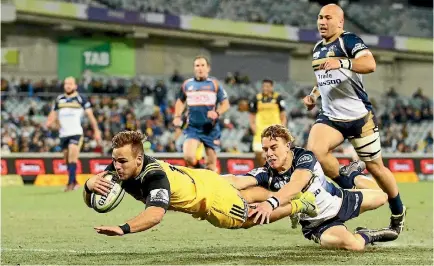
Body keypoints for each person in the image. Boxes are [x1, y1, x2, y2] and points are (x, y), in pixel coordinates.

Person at [83, 131, 318, 236]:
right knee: (247, 196)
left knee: (248, 220)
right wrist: (88, 185)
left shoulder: (154, 177)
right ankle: (282, 193)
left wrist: (123, 228)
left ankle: (299, 203)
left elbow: (155, 214)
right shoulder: (119, 166)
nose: (116, 166)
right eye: (114, 161)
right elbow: (94, 200)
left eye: (122, 161)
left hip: (213, 200)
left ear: (139, 159)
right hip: (204, 178)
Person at [302, 4, 406, 234]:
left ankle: (398, 212)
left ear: (340, 22)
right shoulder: (318, 48)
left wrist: (343, 62)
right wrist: (313, 96)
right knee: (315, 152)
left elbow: (370, 64)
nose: (322, 21)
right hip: (331, 117)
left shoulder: (348, 40)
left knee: (376, 168)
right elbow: (324, 79)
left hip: (359, 118)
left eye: (328, 17)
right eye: (319, 17)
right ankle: (348, 180)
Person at [225, 125, 398, 251]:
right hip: (318, 223)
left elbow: (296, 184)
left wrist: (270, 203)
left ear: (287, 146)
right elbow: (236, 180)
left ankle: (351, 176)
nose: (268, 153)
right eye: (265, 149)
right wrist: (204, 180)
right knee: (354, 245)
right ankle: (369, 235)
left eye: (273, 147)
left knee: (384, 195)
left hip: (340, 199)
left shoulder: (304, 157)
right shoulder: (266, 173)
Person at [173, 56, 229, 171]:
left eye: (203, 65)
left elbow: (225, 104)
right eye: (197, 65)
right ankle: (200, 169)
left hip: (210, 128)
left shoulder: (215, 84)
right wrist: (177, 116)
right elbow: (180, 101)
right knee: (189, 156)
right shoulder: (187, 84)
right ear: (194, 68)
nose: (200, 68)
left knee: (211, 164)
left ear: (208, 68)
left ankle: (211, 186)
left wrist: (217, 113)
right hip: (193, 127)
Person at [46, 76, 101, 191]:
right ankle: (74, 181)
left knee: (72, 156)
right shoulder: (59, 100)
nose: (68, 86)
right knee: (66, 159)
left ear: (75, 86)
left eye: (70, 84)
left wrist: (96, 131)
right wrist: (50, 123)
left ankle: (70, 184)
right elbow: (53, 115)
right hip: (63, 134)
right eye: (66, 83)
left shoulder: (81, 99)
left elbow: (91, 117)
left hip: (76, 133)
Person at [249, 79, 287, 166]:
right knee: (258, 152)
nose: (265, 88)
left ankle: (272, 171)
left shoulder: (278, 98)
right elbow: (252, 114)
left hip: (274, 130)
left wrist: (283, 128)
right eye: (264, 86)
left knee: (275, 151)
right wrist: (252, 125)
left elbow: (283, 115)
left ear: (271, 87)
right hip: (260, 130)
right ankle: (267, 169)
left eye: (267, 86)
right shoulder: (256, 98)